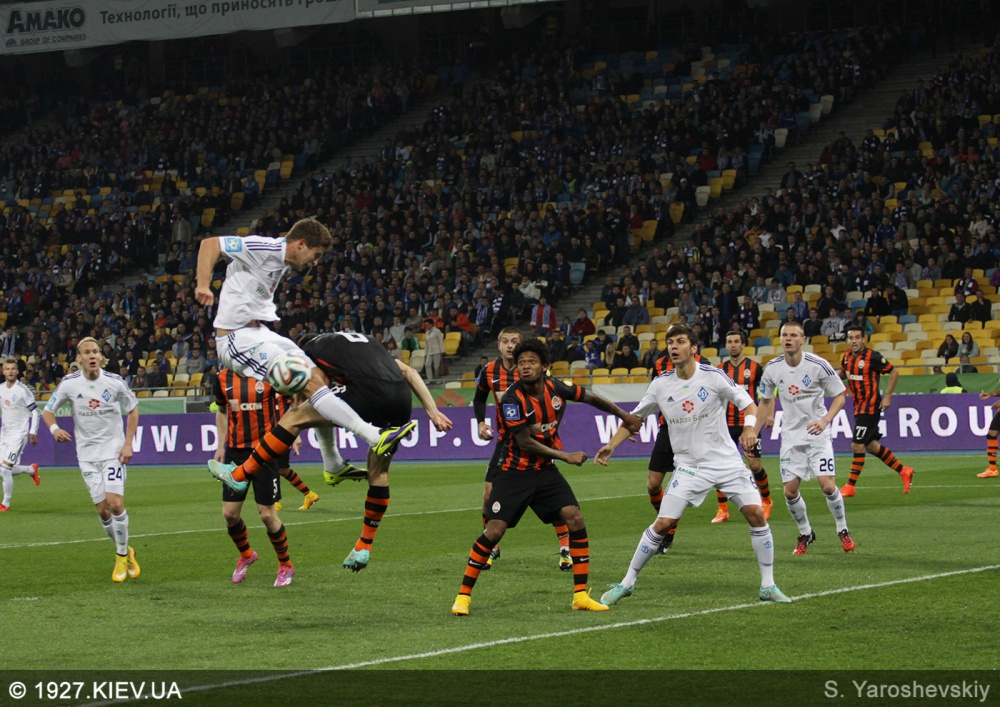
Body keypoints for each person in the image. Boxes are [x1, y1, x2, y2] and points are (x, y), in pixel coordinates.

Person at [197, 221, 416, 491]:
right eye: (316, 254)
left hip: (260, 332)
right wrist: (203, 286)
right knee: (307, 380)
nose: (315, 262)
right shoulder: (263, 247)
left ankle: (332, 463)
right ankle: (373, 436)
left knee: (321, 376)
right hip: (235, 339)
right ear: (301, 244)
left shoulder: (282, 261)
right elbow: (210, 244)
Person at [212, 332, 452, 572]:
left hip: (369, 394)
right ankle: (364, 545)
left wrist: (298, 406)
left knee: (296, 415)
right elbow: (410, 372)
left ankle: (241, 474)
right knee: (378, 473)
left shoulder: (309, 353)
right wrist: (433, 412)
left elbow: (319, 389)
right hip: (401, 400)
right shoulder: (361, 342)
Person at [594, 323, 790, 606]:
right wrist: (612, 445)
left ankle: (768, 585)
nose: (674, 347)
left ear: (694, 348)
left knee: (756, 514)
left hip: (726, 461)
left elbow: (748, 404)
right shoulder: (661, 384)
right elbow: (634, 419)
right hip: (688, 466)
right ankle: (626, 583)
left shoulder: (713, 376)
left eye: (680, 341)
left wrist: (749, 428)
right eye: (670, 342)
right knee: (663, 523)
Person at [452, 338, 642, 616]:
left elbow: (589, 397)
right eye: (521, 362)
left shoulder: (556, 387)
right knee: (494, 531)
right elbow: (525, 442)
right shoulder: (511, 400)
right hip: (514, 472)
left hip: (543, 471)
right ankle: (463, 596)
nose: (525, 366)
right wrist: (564, 456)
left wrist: (624, 415)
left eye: (532, 361)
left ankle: (580, 596)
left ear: (544, 366)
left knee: (574, 518)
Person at [42, 338, 140, 582]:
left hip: (113, 452)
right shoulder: (69, 384)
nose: (92, 355)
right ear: (79, 358)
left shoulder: (115, 382)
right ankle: (126, 549)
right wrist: (54, 429)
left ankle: (120, 556)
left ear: (101, 356)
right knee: (103, 511)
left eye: (96, 351)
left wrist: (128, 443)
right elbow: (48, 410)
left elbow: (133, 409)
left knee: (115, 503)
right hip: (86, 456)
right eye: (87, 352)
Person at [473, 327, 571, 570]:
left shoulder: (532, 371)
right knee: (488, 496)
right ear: (498, 345)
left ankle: (566, 549)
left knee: (553, 501)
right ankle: (491, 547)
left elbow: (557, 398)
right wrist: (481, 422)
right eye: (505, 341)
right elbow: (479, 398)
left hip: (536, 444)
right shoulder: (489, 371)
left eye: (514, 341)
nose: (509, 345)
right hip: (506, 443)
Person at [757, 321, 855, 555]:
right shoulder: (772, 368)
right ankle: (805, 533)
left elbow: (840, 396)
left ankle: (842, 529)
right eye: (784, 335)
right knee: (790, 492)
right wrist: (753, 430)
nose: (788, 339)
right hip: (791, 437)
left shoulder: (818, 365)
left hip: (817, 435)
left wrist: (825, 420)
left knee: (828, 486)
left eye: (793, 335)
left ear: (802, 340)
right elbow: (765, 401)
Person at [213, 368, 298, 586]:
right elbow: (221, 410)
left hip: (265, 451)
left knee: (267, 515)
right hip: (235, 454)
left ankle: (286, 565)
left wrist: (293, 435)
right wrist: (220, 445)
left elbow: (292, 404)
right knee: (230, 515)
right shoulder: (222, 377)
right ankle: (246, 555)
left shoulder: (267, 373)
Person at [839, 325, 914, 497]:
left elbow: (894, 372)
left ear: (863, 339)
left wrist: (887, 396)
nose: (854, 341)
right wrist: (829, 379)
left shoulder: (873, 357)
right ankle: (904, 471)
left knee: (857, 445)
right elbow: (844, 373)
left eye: (857, 337)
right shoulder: (847, 356)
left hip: (871, 407)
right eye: (851, 338)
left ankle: (850, 486)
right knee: (872, 446)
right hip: (858, 407)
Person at [711, 332, 773, 523]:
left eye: (736, 342)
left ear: (743, 345)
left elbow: (768, 393)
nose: (733, 345)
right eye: (729, 342)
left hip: (749, 423)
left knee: (754, 465)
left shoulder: (755, 368)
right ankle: (722, 509)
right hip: (725, 424)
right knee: (719, 466)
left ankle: (766, 501)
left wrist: (770, 414)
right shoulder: (719, 370)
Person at [0, 357, 40, 511]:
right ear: (3, 371)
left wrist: (32, 432)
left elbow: (35, 412)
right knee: (3, 469)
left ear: (17, 371)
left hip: (19, 434)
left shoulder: (23, 390)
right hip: (5, 434)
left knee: (5, 469)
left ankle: (5, 503)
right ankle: (31, 469)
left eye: (13, 369)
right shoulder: (1, 389)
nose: (10, 371)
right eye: (7, 369)